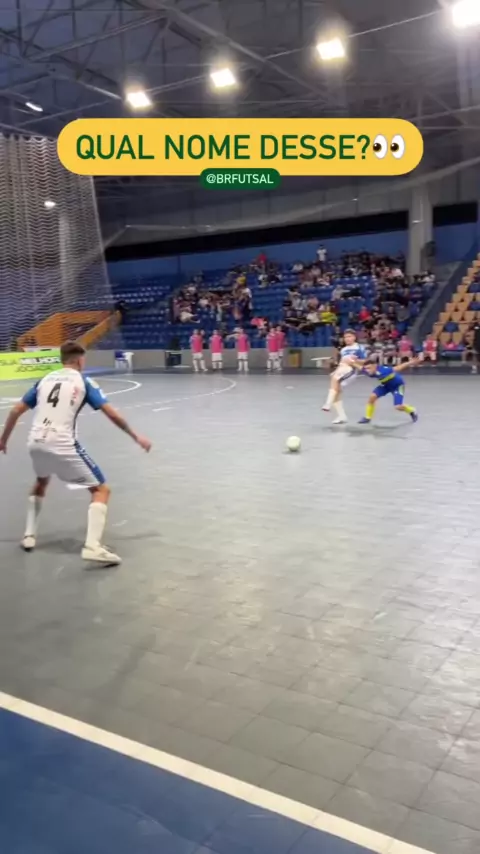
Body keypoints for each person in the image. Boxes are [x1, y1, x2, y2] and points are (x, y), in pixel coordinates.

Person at [0, 341, 151, 565]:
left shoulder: (45, 380)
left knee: (41, 481)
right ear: (80, 360)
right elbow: (112, 414)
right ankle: (93, 547)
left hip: (35, 441)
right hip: (62, 443)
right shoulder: (83, 381)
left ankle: (29, 536)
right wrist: (135, 435)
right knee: (101, 490)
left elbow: (15, 410)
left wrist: (3, 440)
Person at [358, 356, 420, 424]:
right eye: (366, 368)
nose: (367, 370)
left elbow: (398, 368)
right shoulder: (370, 371)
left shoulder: (384, 370)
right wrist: (352, 362)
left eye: (369, 368)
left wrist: (410, 362)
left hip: (397, 386)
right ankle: (367, 418)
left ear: (375, 366)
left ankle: (412, 410)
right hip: (385, 385)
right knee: (372, 397)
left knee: (398, 406)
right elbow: (360, 367)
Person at [322, 329, 366, 425]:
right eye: (345, 337)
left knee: (334, 381)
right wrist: (335, 370)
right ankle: (342, 416)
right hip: (342, 369)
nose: (347, 339)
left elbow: (365, 361)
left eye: (349, 336)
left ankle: (328, 403)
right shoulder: (343, 350)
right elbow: (341, 363)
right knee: (336, 392)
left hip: (351, 370)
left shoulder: (359, 348)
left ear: (354, 337)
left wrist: (355, 361)